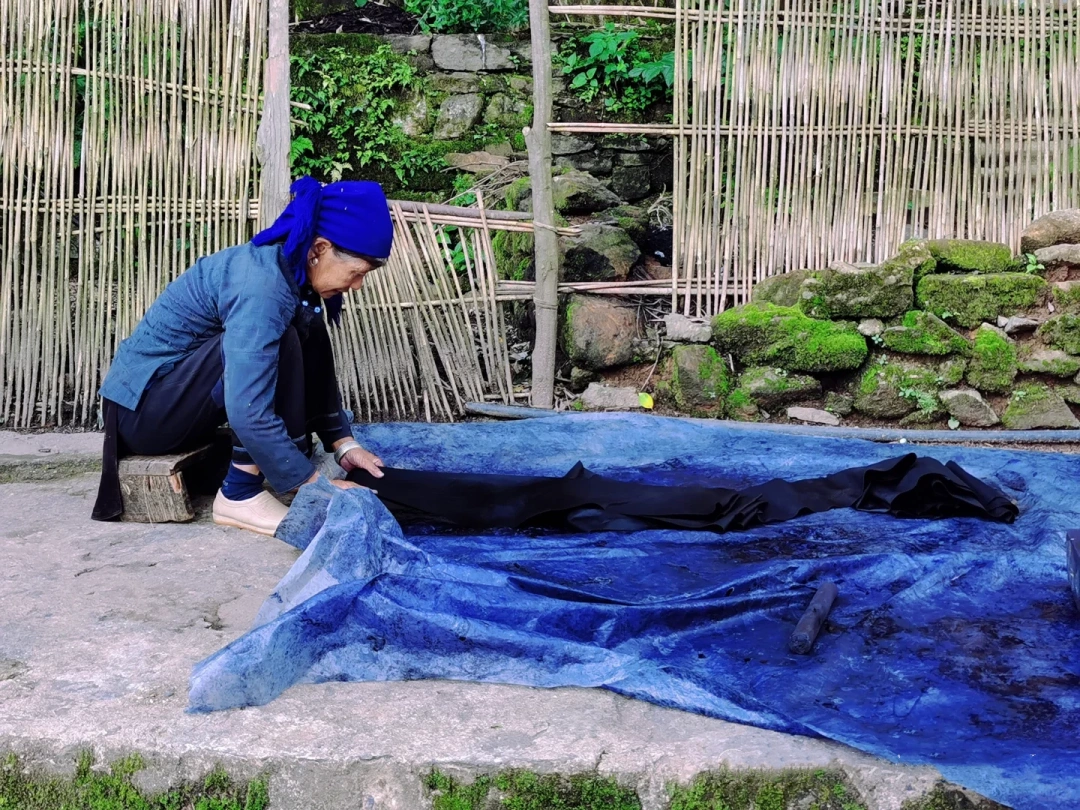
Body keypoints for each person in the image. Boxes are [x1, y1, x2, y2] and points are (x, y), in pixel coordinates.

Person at [92, 176, 390, 536]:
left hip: (177, 404)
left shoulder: (290, 274)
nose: (357, 286)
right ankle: (238, 495)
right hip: (143, 415)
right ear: (319, 249)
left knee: (304, 324)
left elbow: (315, 356)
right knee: (277, 339)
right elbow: (247, 408)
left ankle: (262, 475)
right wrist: (314, 485)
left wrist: (343, 443)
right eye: (356, 273)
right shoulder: (261, 286)